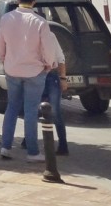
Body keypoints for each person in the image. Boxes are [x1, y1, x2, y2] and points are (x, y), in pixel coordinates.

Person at [0, 0, 56, 162]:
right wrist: (49, 63)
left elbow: (0, 45)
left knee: (12, 107)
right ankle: (32, 152)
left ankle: (5, 147)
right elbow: (48, 47)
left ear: (17, 0)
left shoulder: (6, 18)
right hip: (34, 70)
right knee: (31, 111)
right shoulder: (40, 22)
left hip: (12, 69)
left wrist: (4, 59)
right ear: (34, 1)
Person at [42, 26, 69, 155]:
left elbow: (60, 57)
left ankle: (63, 145)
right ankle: (28, 140)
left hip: (51, 76)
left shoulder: (51, 36)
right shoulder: (28, 35)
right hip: (36, 76)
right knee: (32, 110)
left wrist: (63, 78)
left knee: (55, 111)